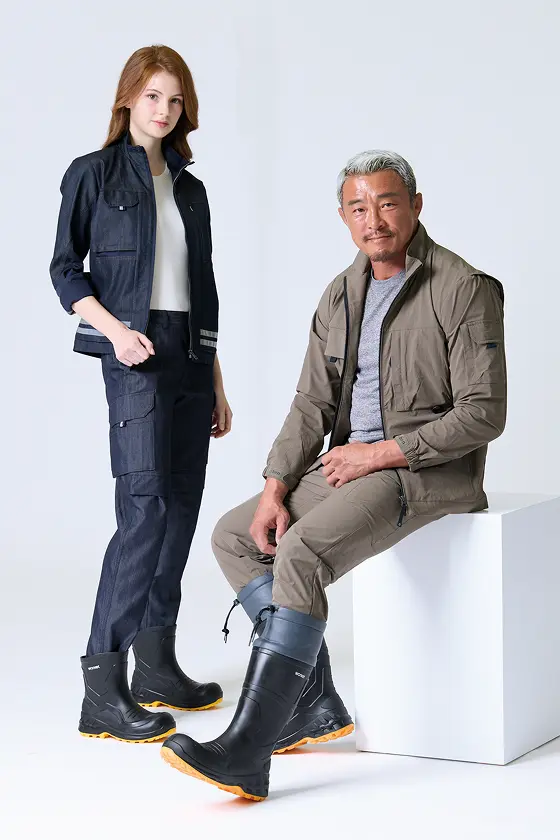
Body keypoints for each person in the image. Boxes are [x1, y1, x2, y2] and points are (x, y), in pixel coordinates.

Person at [160, 150, 507, 799]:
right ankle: (311, 699)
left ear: (415, 206)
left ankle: (248, 750)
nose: (374, 219)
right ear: (344, 218)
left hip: (429, 471)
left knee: (302, 551)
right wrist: (275, 487)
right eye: (358, 207)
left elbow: (483, 414)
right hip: (350, 462)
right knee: (236, 536)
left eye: (387, 202)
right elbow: (311, 405)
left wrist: (376, 455)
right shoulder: (342, 293)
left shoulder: (464, 287)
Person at [49, 45, 233, 744]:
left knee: (180, 509)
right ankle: (103, 686)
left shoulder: (191, 190)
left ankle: (156, 666)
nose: (164, 109)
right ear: (128, 97)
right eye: (153, 95)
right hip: (137, 354)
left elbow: (201, 287)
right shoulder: (92, 174)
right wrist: (116, 333)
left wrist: (215, 379)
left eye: (176, 99)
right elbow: (65, 270)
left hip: (190, 357)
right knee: (145, 510)